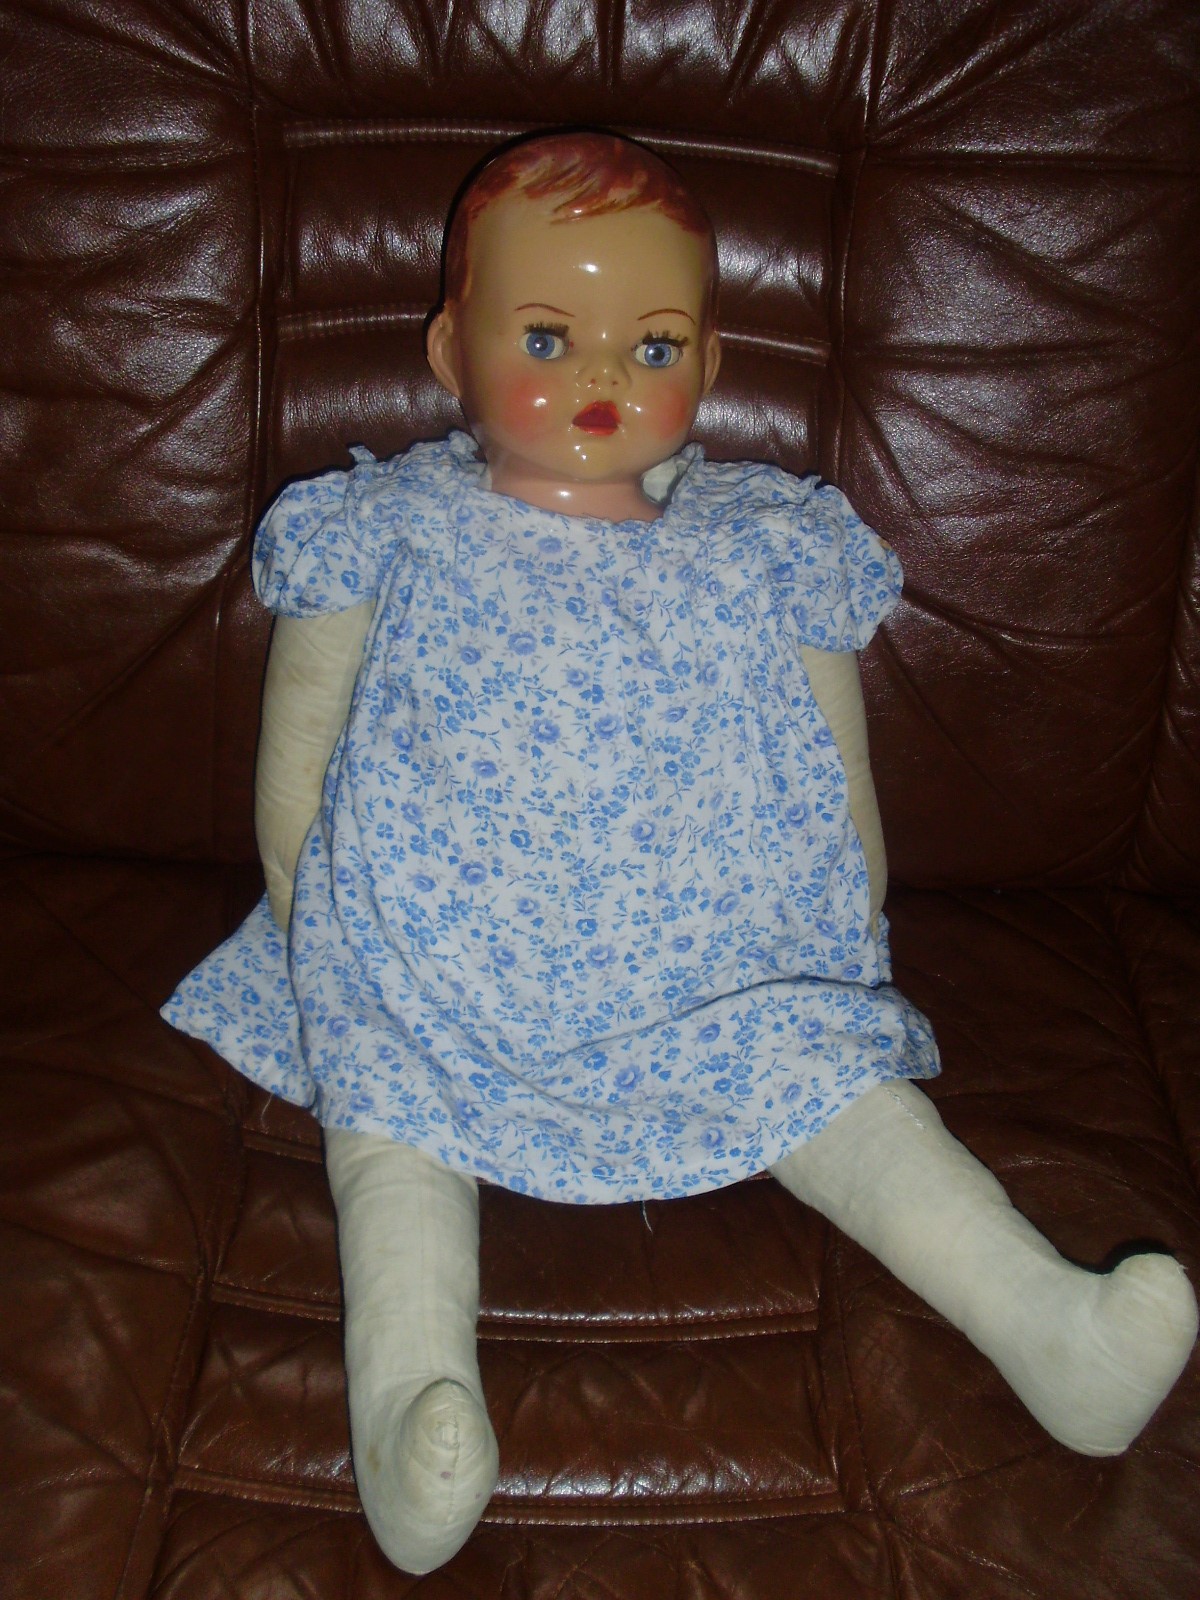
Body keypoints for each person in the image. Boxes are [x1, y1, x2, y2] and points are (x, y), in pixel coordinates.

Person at [162, 130, 1197, 1575]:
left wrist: (845, 923)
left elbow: (834, 765)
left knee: (843, 1095)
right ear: (451, 351)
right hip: (430, 959)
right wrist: (309, 920)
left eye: (651, 347)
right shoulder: (380, 526)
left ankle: (1048, 1324)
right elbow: (304, 751)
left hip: (718, 969)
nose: (602, 377)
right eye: (545, 337)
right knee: (390, 1137)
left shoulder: (766, 540)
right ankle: (413, 1409)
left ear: (708, 366)